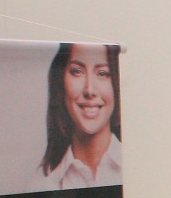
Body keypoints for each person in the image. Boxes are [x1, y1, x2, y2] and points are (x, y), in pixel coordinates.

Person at [39, 42, 122, 188]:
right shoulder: (43, 185)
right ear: (60, 82)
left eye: (102, 73)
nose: (89, 90)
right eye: (77, 71)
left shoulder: (142, 164)